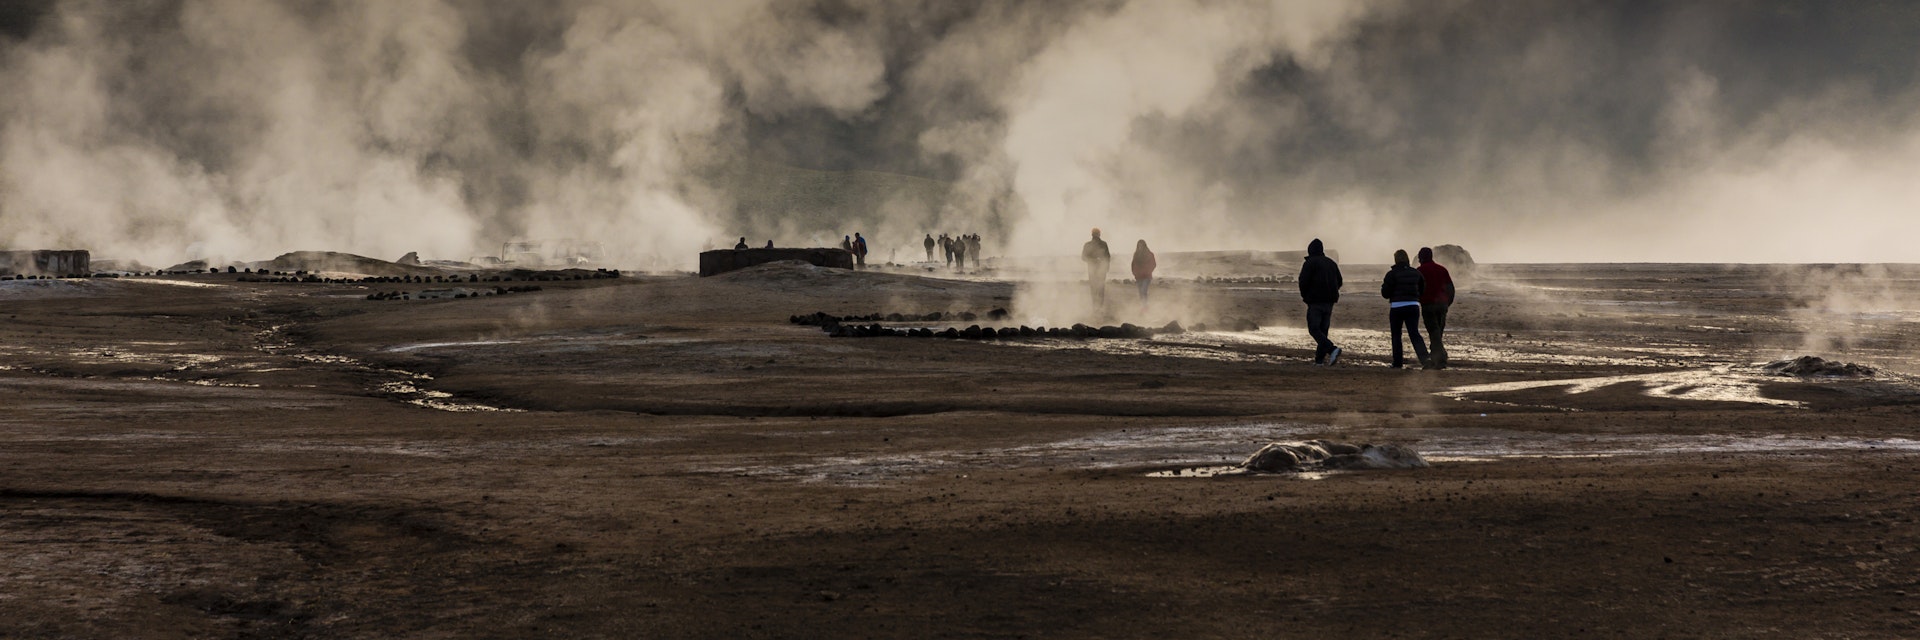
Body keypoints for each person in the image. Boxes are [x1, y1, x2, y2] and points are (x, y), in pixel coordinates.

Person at [1380, 249, 1430, 369]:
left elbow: (1385, 293)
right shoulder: (1416, 273)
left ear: (1396, 260)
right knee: (1414, 333)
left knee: (1396, 335)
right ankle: (1425, 359)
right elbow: (1422, 288)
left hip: (1397, 306)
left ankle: (1397, 362)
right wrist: (1415, 297)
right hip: (1413, 305)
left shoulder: (1391, 274)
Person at [1299, 238, 1343, 366]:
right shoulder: (1331, 263)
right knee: (1323, 330)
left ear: (1310, 250)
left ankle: (1332, 349)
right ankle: (1319, 360)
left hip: (1315, 301)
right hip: (1329, 302)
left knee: (1314, 329)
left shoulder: (1310, 263)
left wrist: (1305, 297)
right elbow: (1339, 281)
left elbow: (1303, 281)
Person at [1416, 247, 1455, 369]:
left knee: (1434, 331)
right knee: (1438, 331)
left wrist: (1419, 301)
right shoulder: (1442, 269)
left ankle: (1440, 359)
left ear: (1421, 258)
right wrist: (1447, 303)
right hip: (1442, 304)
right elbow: (1451, 288)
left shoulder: (1419, 271)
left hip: (1428, 305)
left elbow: (1417, 289)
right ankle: (1436, 356)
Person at [1083, 228, 1111, 307]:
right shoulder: (1100, 244)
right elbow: (1108, 257)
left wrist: (1106, 266)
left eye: (1096, 234)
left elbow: (1107, 257)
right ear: (1099, 234)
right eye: (1095, 234)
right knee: (1099, 288)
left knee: (1096, 288)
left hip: (1098, 270)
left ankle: (1097, 306)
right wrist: (1094, 260)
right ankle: (1098, 306)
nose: (1096, 235)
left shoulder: (1090, 244)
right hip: (1097, 270)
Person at [1131, 239, 1156, 308]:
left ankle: (1145, 307)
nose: (1140, 247)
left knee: (1143, 291)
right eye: (1139, 246)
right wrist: (1134, 273)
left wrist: (1148, 271)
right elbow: (1133, 264)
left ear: (1144, 246)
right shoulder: (1136, 254)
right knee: (1140, 293)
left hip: (1147, 276)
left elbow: (1153, 264)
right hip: (1138, 277)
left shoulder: (1149, 254)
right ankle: (1143, 306)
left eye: (1141, 245)